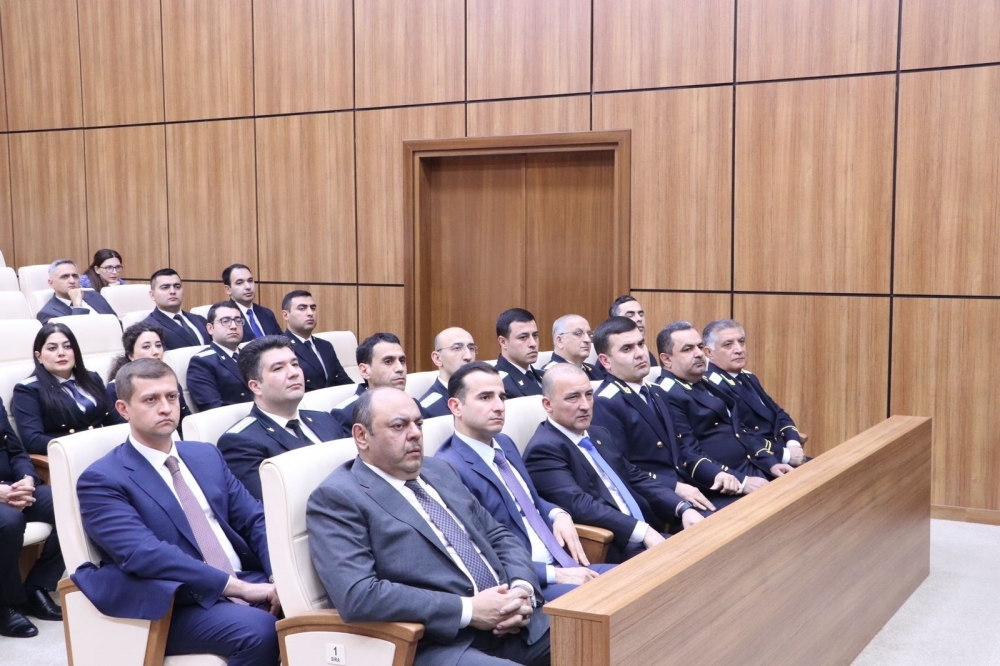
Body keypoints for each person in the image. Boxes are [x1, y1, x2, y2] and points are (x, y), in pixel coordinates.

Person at [307, 387, 551, 666]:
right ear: (362, 436)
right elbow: (359, 595)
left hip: (511, 621)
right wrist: (469, 610)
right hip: (437, 642)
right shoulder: (338, 497)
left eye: (418, 423)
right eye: (399, 426)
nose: (415, 434)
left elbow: (498, 535)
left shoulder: (439, 470)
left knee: (589, 632)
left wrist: (522, 589)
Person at [74, 359, 280, 665]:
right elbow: (144, 554)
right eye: (150, 400)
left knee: (315, 601)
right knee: (260, 630)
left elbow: (255, 519)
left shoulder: (205, 455)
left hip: (247, 576)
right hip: (178, 600)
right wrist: (239, 588)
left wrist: (281, 576)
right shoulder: (102, 479)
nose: (165, 408)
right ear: (123, 409)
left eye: (171, 397)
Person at [435, 362, 613, 600]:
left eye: (501, 397)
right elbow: (479, 551)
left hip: (563, 562)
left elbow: (525, 499)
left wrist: (557, 513)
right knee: (610, 598)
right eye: (485, 398)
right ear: (456, 406)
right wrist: (553, 574)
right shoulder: (448, 467)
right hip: (527, 584)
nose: (499, 406)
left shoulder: (504, 443)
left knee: (638, 577)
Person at [524, 364, 703, 563]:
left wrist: (681, 507)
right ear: (548, 405)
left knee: (708, 538)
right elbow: (581, 505)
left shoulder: (598, 433)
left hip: (649, 530)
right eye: (573, 397)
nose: (585, 405)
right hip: (613, 547)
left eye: (589, 394)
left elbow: (635, 477)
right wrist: (642, 531)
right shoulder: (544, 449)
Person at [589, 317, 728, 510]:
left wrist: (716, 473)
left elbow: (681, 448)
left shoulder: (656, 391)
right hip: (657, 503)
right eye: (627, 349)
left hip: (689, 488)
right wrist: (676, 490)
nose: (640, 354)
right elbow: (623, 471)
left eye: (641, 344)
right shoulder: (605, 403)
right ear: (605, 361)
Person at [653, 322, 793, 493]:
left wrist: (771, 463)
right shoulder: (666, 394)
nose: (699, 353)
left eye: (699, 347)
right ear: (667, 360)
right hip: (723, 483)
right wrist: (742, 482)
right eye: (688, 349)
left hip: (754, 467)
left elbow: (741, 431)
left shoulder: (707, 383)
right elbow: (688, 453)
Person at [218, 336, 346, 499]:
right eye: (278, 368)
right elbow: (275, 505)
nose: (293, 373)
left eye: (295, 364)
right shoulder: (240, 442)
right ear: (256, 386)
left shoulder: (325, 419)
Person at [702, 319, 806, 467]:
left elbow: (778, 414)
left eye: (741, 342)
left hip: (782, 451)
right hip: (758, 462)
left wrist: (793, 442)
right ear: (709, 352)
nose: (739, 349)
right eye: (728, 344)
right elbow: (739, 435)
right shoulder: (710, 386)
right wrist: (785, 455)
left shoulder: (748, 377)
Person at [0, 397, 64, 637]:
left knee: (71, 505)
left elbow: (16, 451)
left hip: (13, 486)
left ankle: (36, 587)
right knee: (9, 522)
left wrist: (27, 479)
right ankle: (6, 605)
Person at [11, 323, 124, 455]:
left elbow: (115, 421)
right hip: (69, 457)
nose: (61, 353)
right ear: (39, 356)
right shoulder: (28, 390)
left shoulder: (92, 378)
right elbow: (33, 441)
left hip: (108, 451)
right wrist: (84, 448)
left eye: (67, 346)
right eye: (52, 348)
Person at [106, 322, 192, 431]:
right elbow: (121, 429)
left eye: (158, 345)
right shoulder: (115, 388)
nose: (156, 352)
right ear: (131, 355)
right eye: (146, 347)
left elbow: (184, 419)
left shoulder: (170, 381)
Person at [330, 332, 407, 433]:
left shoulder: (411, 404)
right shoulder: (346, 415)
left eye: (402, 360)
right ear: (365, 371)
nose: (400, 368)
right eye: (388, 361)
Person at [280, 290, 352, 390]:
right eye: (302, 308)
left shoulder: (325, 346)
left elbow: (343, 381)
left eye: (313, 308)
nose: (310, 313)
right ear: (286, 315)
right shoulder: (281, 348)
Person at [187, 302, 251, 411]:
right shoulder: (201, 363)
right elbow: (214, 408)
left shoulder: (252, 356)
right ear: (210, 328)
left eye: (238, 321)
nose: (233, 326)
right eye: (225, 321)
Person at [142, 268, 209, 350]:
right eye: (165, 287)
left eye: (177, 287)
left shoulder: (200, 320)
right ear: (152, 295)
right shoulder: (148, 328)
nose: (173, 291)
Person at [35, 259, 118, 324]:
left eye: (75, 276)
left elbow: (116, 322)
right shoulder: (48, 313)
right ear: (51, 283)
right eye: (64, 277)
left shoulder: (93, 295)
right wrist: (77, 306)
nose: (72, 281)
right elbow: (76, 334)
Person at [419, 327, 477, 418]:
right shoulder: (426, 410)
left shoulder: (484, 395)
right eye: (457, 348)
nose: (468, 356)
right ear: (437, 358)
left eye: (471, 348)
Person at [222, 264, 281, 343]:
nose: (248, 287)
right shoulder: (224, 317)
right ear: (228, 289)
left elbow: (281, 342)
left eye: (250, 281)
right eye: (239, 283)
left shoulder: (267, 313)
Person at [494, 308, 543, 398]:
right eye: (523, 337)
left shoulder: (545, 376)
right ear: (503, 342)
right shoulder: (496, 382)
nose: (533, 343)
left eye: (535, 335)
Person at [541, 314, 604, 381]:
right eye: (578, 334)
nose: (588, 340)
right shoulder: (549, 376)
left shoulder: (595, 371)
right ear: (560, 341)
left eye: (589, 334)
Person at [608, 295, 656, 367]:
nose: (639, 318)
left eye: (641, 314)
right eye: (630, 315)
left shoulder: (649, 356)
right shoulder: (609, 359)